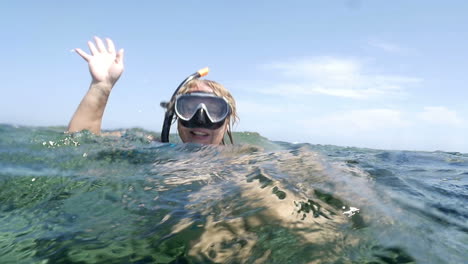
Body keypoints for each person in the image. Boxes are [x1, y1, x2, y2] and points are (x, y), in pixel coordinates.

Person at [68, 37, 238, 145]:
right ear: (175, 114)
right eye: (189, 107)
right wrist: (101, 87)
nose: (201, 118)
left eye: (215, 110)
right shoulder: (154, 148)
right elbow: (81, 142)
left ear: (227, 120)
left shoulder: (240, 161)